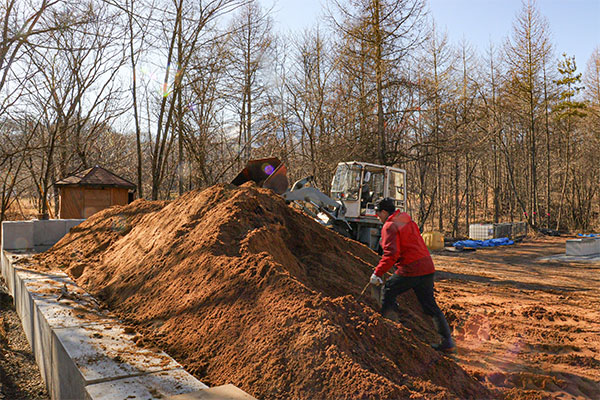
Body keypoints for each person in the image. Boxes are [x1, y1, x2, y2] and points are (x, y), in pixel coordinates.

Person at [369, 198, 456, 353]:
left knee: (388, 289)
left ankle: (390, 332)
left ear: (383, 212)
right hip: (427, 266)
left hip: (411, 267)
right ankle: (447, 342)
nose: (377, 217)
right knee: (429, 305)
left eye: (378, 214)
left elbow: (391, 254)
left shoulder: (389, 226)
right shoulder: (405, 219)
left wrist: (378, 272)